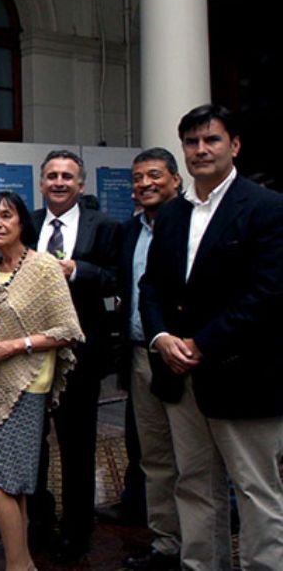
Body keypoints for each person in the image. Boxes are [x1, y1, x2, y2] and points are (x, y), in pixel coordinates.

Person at [140, 104, 283, 571]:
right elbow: (151, 287)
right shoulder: (174, 215)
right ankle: (201, 565)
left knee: (257, 490)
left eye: (212, 140)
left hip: (244, 376)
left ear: (234, 145)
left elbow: (267, 293)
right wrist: (161, 336)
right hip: (180, 377)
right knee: (194, 483)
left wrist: (202, 343)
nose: (201, 150)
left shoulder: (265, 207)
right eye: (192, 142)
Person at [0, 191, 84, 571]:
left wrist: (14, 346)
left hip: (27, 386)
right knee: (5, 481)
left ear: (22, 222)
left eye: (6, 216)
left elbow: (68, 330)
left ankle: (18, 566)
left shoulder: (44, 267)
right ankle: (21, 562)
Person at [30, 149, 118, 562]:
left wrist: (77, 270)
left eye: (68, 176)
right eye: (52, 176)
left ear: (81, 185)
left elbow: (117, 278)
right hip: (28, 353)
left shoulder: (103, 226)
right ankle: (38, 516)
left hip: (79, 354)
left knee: (77, 444)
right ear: (42, 182)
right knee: (32, 442)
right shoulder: (27, 223)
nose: (59, 182)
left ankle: (78, 527)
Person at [114, 148, 182, 571]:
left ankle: (201, 548)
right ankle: (166, 544)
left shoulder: (192, 224)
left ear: (175, 179)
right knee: (155, 458)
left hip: (187, 354)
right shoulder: (129, 231)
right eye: (138, 178)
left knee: (195, 459)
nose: (144, 184)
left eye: (154, 176)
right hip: (142, 355)